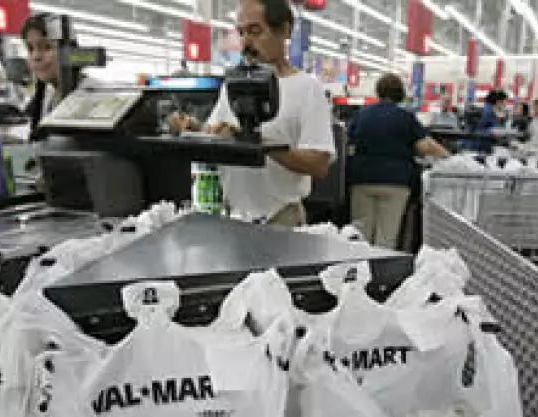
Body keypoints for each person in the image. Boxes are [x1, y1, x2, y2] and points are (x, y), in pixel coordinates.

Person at [170, 0, 335, 227]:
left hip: (281, 218)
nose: (247, 41)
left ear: (284, 31)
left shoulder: (307, 88)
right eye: (242, 32)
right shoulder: (233, 85)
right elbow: (216, 132)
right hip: (233, 216)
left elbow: (319, 164)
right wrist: (195, 130)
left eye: (256, 31)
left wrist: (256, 143)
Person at [346, 73, 448, 248]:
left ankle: (357, 272)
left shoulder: (361, 114)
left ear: (378, 91)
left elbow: (347, 142)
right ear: (400, 93)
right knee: (386, 237)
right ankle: (381, 273)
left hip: (361, 179)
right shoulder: (405, 117)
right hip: (395, 182)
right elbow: (424, 146)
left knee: (359, 235)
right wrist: (448, 156)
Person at [21, 13, 100, 141]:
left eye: (46, 47)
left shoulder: (94, 95)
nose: (36, 56)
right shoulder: (49, 96)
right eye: (30, 49)